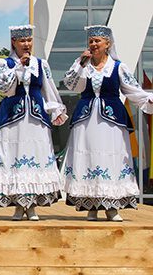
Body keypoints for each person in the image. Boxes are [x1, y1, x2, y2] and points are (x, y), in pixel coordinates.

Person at [61, 25, 153, 221]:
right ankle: (91, 205)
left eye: (97, 41)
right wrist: (80, 63)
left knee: (111, 157)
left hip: (111, 120)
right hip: (86, 120)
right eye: (91, 41)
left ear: (107, 44)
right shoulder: (83, 66)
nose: (93, 44)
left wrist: (147, 100)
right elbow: (70, 84)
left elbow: (132, 90)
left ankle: (112, 207)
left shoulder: (118, 67)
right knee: (88, 156)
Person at [0, 25, 67, 221]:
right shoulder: (3, 64)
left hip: (36, 119)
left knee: (35, 156)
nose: (27, 44)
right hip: (12, 118)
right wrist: (19, 68)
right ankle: (17, 206)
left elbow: (48, 90)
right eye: (22, 41)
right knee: (14, 156)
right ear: (14, 42)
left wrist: (56, 110)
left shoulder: (41, 64)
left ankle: (31, 207)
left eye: (29, 40)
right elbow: (4, 89)